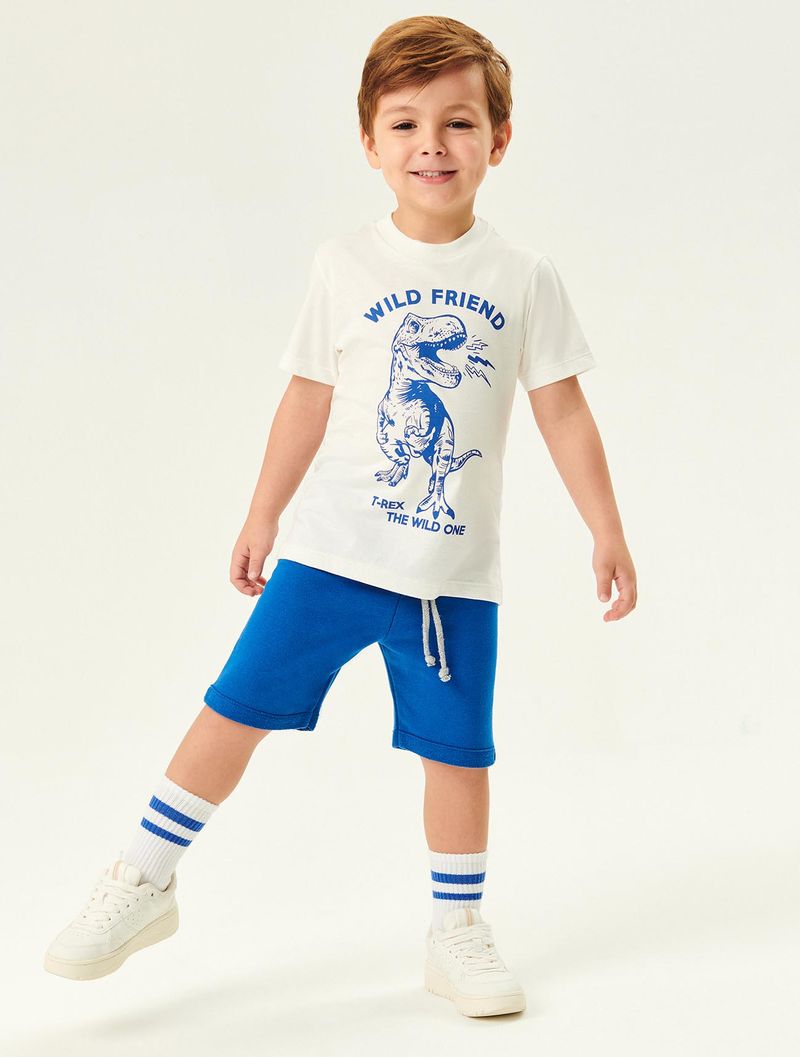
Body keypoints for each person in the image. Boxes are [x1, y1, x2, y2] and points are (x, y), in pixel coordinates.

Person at [44, 15, 637, 1018]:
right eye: (404, 124)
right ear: (369, 143)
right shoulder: (344, 264)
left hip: (451, 574)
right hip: (331, 553)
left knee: (458, 750)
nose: (431, 145)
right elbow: (307, 397)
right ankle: (141, 879)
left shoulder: (521, 277)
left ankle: (456, 929)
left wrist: (605, 527)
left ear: (498, 139)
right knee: (233, 707)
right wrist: (262, 514)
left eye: (457, 122)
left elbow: (562, 408)